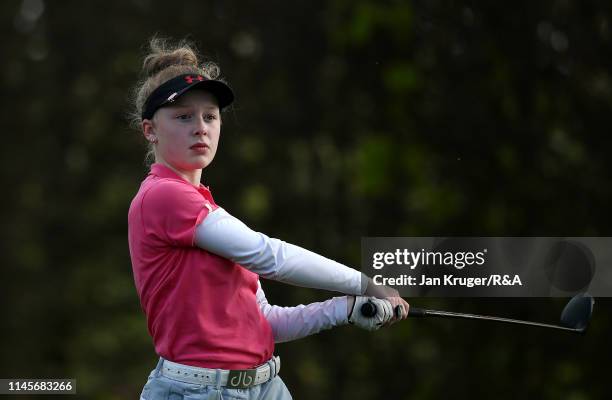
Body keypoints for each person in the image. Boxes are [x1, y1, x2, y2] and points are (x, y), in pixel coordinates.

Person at [127, 37, 409, 400]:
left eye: (210, 116)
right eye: (183, 116)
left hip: (266, 387)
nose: (201, 127)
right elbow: (271, 257)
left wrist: (348, 309)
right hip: (199, 391)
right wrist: (364, 283)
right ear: (150, 130)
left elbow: (265, 322)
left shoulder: (209, 211)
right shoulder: (163, 196)